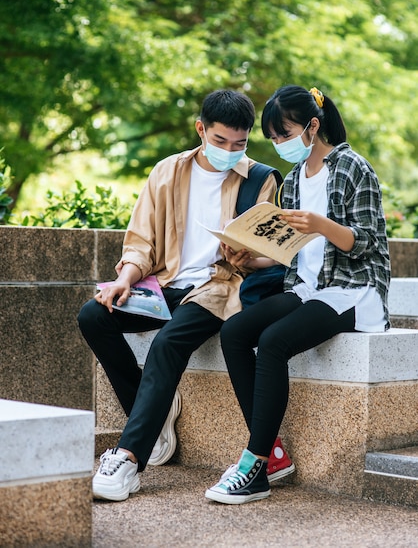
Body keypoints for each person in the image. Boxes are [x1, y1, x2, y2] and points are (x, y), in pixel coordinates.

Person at [77, 88, 293, 502]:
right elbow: (142, 241)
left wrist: (244, 255)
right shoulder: (166, 172)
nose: (231, 151)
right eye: (220, 141)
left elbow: (268, 250)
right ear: (201, 129)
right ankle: (153, 420)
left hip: (217, 287)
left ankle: (128, 459)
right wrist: (126, 277)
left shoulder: (261, 179)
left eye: (240, 143)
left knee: (169, 341)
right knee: (93, 316)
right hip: (163, 282)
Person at [205, 85, 391, 505]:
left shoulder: (351, 167)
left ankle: (253, 465)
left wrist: (320, 223)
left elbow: (368, 243)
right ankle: (270, 454)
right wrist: (248, 259)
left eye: (284, 134)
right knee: (235, 333)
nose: (279, 144)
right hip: (308, 287)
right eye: (273, 139)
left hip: (353, 291)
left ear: (313, 125)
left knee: (272, 343)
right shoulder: (291, 181)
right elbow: (290, 254)